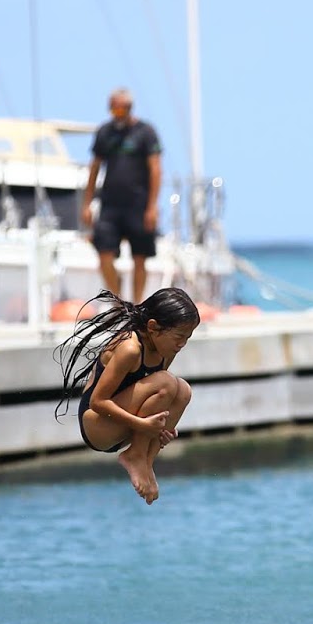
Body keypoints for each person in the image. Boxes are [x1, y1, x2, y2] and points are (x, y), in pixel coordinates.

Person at [57, 287, 200, 504]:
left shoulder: (165, 349)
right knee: (167, 383)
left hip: (125, 426)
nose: (182, 344)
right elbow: (97, 402)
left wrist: (163, 430)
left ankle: (146, 462)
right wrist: (142, 425)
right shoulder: (129, 348)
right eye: (179, 337)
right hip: (97, 426)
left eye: (187, 338)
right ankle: (135, 456)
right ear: (153, 327)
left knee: (183, 391)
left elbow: (157, 398)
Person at [82, 88, 163, 301]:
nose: (118, 113)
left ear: (129, 108)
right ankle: (119, 303)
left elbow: (155, 169)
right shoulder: (105, 132)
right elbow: (94, 167)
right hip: (110, 205)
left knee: (140, 258)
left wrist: (152, 207)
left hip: (138, 204)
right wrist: (87, 203)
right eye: (114, 109)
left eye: (121, 109)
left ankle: (137, 305)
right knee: (104, 254)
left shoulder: (146, 132)